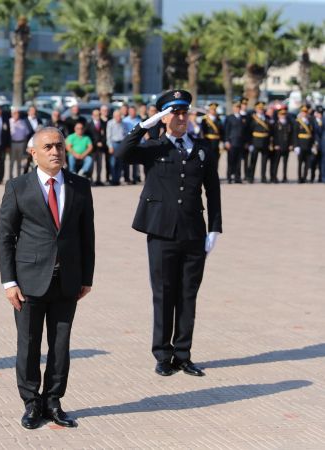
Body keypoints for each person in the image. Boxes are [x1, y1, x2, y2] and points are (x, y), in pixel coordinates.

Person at [117, 90, 222, 377]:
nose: (180, 118)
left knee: (188, 294)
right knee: (164, 294)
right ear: (164, 117)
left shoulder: (201, 148)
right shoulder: (154, 147)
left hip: (193, 231)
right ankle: (163, 354)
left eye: (183, 112)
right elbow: (122, 154)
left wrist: (215, 228)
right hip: (161, 231)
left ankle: (183, 354)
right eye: (173, 113)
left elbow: (213, 190)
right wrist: (143, 127)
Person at [0, 127, 94, 430]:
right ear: (33, 153)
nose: (56, 152)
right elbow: (6, 237)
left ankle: (53, 401)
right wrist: (9, 282)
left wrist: (86, 277)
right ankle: (31, 402)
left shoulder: (80, 186)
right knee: (28, 344)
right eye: (49, 147)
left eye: (60, 147)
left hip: (67, 281)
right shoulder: (18, 187)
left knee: (61, 345)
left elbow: (86, 235)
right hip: (28, 283)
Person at [247, 102, 271, 183]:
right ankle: (251, 177)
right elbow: (249, 131)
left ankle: (263, 177)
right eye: (259, 109)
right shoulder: (252, 118)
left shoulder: (267, 117)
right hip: (255, 141)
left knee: (264, 161)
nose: (261, 110)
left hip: (265, 141)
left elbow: (270, 131)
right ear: (256, 109)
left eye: (262, 109)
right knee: (253, 160)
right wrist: (250, 143)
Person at [224, 101, 248, 183]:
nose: (237, 109)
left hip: (240, 142)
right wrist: (226, 141)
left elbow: (245, 132)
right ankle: (229, 177)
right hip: (232, 142)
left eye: (238, 107)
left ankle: (237, 177)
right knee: (231, 160)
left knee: (239, 161)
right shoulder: (229, 117)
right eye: (235, 107)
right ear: (233, 108)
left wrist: (246, 142)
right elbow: (227, 130)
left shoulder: (243, 118)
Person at [85, 108, 106, 186]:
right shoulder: (89, 124)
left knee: (99, 165)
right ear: (92, 116)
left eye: (99, 114)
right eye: (95, 115)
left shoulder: (103, 123)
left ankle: (98, 179)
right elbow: (87, 136)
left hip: (100, 148)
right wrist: (95, 143)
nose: (97, 116)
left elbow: (105, 135)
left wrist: (102, 143)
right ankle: (91, 179)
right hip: (92, 148)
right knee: (92, 165)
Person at [200, 102, 223, 171]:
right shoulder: (204, 119)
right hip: (207, 141)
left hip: (216, 142)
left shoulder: (219, 119)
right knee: (207, 158)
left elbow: (221, 132)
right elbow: (202, 131)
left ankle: (215, 174)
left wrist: (222, 142)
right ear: (209, 110)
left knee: (216, 158)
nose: (213, 111)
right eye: (212, 109)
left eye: (214, 110)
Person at [294, 105, 314, 184]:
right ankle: (299, 178)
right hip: (300, 144)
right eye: (303, 112)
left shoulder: (310, 121)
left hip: (308, 144)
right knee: (300, 163)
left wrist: (313, 145)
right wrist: (296, 146)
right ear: (301, 112)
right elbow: (295, 135)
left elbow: (312, 134)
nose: (304, 113)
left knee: (307, 163)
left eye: (306, 112)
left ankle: (305, 177)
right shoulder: (297, 122)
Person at [271, 107, 292, 183]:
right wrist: (275, 144)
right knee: (276, 162)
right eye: (281, 114)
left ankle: (284, 177)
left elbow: (291, 135)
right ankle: (274, 177)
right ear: (278, 115)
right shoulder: (275, 124)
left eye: (284, 114)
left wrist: (291, 144)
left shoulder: (288, 123)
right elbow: (273, 135)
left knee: (285, 163)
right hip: (278, 146)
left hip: (286, 145)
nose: (283, 115)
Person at [106, 110, 126, 186]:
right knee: (113, 163)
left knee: (120, 163)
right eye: (117, 116)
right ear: (114, 116)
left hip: (121, 144)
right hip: (114, 144)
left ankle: (117, 179)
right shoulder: (110, 123)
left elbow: (125, 134)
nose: (118, 118)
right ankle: (113, 179)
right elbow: (108, 136)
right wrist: (110, 146)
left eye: (119, 116)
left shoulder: (123, 123)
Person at [122, 106, 141, 184]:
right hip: (128, 143)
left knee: (135, 162)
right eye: (130, 111)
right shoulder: (124, 121)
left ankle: (135, 178)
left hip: (137, 143)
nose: (132, 113)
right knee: (126, 161)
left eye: (133, 111)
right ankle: (127, 178)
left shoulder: (139, 121)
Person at [9, 109, 29, 179]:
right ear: (12, 114)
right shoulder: (10, 121)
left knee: (19, 161)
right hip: (12, 143)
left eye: (17, 113)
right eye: (14, 113)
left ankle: (18, 177)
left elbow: (26, 133)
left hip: (21, 143)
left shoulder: (22, 122)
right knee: (11, 161)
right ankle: (10, 177)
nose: (16, 115)